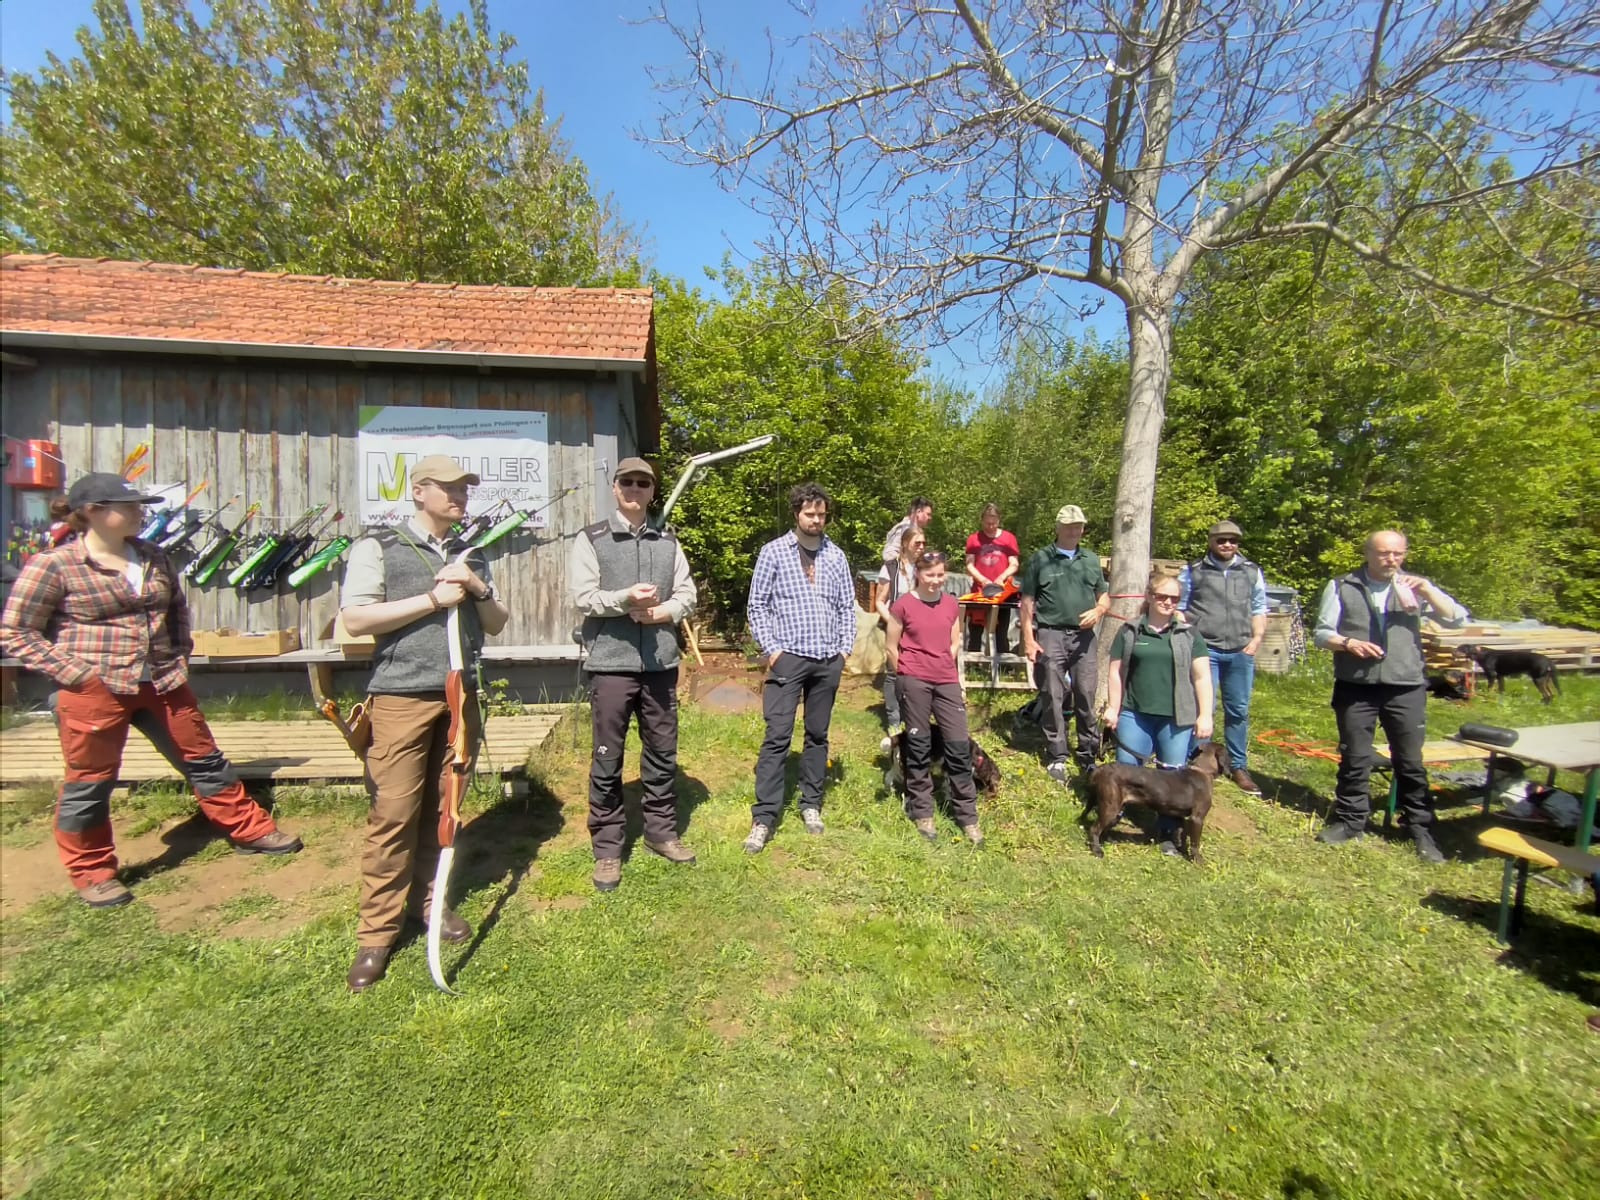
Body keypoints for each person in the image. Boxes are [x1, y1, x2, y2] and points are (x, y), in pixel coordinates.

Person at [0, 473, 302, 909]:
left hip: (162, 682)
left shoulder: (152, 556)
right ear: (92, 512)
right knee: (90, 783)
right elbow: (16, 632)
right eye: (131, 506)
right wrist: (76, 674)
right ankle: (92, 871)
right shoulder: (56, 565)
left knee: (205, 762)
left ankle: (250, 829)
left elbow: (177, 611)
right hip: (94, 688)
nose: (142, 512)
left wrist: (180, 655)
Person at [339, 454, 509, 991]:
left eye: (465, 488)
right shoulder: (379, 547)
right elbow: (355, 617)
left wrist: (475, 587)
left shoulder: (472, 553)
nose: (460, 497)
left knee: (445, 808)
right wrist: (431, 599)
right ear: (419, 491)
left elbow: (498, 625)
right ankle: (377, 934)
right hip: (399, 696)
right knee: (393, 813)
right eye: (449, 488)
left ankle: (431, 905)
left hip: (461, 697)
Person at [569, 457, 698, 893]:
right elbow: (583, 597)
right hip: (609, 663)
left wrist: (663, 612)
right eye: (627, 482)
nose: (635, 488)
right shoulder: (592, 539)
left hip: (660, 663)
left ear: (652, 491)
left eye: (643, 483)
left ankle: (661, 833)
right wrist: (625, 599)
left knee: (662, 753)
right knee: (608, 757)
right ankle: (607, 848)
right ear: (615, 487)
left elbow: (688, 593)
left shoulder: (668, 540)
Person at [1312, 530, 1465, 863]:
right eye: (1383, 554)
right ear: (1368, 553)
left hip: (1405, 684)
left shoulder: (1414, 589)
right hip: (1356, 684)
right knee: (1355, 755)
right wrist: (1349, 644)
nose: (1391, 560)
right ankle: (1352, 820)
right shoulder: (1342, 586)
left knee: (1409, 761)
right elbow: (1322, 633)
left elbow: (1456, 619)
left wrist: (1427, 589)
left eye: (1397, 554)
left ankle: (1420, 828)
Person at [745, 482, 857, 853]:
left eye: (822, 514)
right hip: (788, 657)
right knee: (777, 735)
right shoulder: (774, 552)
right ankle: (764, 817)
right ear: (797, 513)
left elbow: (846, 607)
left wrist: (844, 650)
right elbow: (756, 606)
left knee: (817, 735)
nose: (816, 520)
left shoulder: (836, 557)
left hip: (827, 659)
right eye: (810, 513)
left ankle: (811, 804)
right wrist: (772, 650)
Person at [1104, 573, 1215, 854]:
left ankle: (1168, 833)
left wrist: (1205, 715)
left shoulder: (1188, 634)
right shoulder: (1130, 631)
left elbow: (1202, 677)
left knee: (1173, 778)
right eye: (1162, 596)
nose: (1168, 602)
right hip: (1135, 712)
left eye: (1174, 598)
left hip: (1177, 717)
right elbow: (1116, 673)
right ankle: (1116, 817)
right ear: (1150, 597)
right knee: (1128, 768)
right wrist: (1113, 708)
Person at [885, 549, 984, 845]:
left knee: (957, 745)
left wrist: (941, 662)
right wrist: (907, 673)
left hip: (946, 681)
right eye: (930, 575)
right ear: (918, 573)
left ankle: (967, 816)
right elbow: (892, 646)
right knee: (919, 745)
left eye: (940, 575)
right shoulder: (903, 606)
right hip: (913, 681)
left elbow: (955, 642)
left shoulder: (951, 604)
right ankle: (923, 811)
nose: (936, 580)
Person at [1018, 504, 1109, 782]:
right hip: (1050, 634)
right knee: (1052, 695)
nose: (1074, 530)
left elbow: (1104, 595)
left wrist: (1099, 611)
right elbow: (1027, 602)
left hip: (1084, 638)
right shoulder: (1041, 559)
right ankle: (1057, 755)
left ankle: (1088, 753)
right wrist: (1029, 639)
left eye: (1078, 525)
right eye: (1068, 525)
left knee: (1085, 693)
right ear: (1057, 528)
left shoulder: (1091, 560)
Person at [1178, 520, 1268, 795]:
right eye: (1222, 540)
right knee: (1201, 708)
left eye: (1233, 540)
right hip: (1206, 649)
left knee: (1238, 710)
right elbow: (1179, 607)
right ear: (1211, 541)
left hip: (1241, 650)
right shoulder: (1193, 571)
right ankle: (1194, 760)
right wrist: (1188, 638)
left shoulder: (1251, 571)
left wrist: (1256, 639)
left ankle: (1237, 765)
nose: (1228, 544)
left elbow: (1259, 606)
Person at [873, 524, 926, 736]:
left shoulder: (925, 567)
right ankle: (894, 720)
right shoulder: (890, 567)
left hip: (920, 630)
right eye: (917, 543)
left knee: (917, 674)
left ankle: (912, 717)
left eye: (924, 543)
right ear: (905, 544)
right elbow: (879, 601)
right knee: (894, 672)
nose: (921, 547)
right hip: (895, 627)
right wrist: (894, 624)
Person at [964, 503, 1021, 653]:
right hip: (979, 593)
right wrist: (982, 580)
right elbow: (969, 564)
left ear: (999, 520)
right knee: (975, 633)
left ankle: (1004, 668)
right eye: (988, 522)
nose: (990, 526)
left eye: (994, 522)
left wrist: (1002, 577)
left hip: (1002, 593)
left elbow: (1014, 564)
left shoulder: (1009, 538)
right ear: (982, 520)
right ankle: (973, 668)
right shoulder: (974, 539)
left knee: (1001, 634)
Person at [880, 497, 934, 566]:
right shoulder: (905, 528)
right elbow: (889, 554)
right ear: (918, 512)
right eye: (928, 514)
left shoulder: (911, 528)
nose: (930, 518)